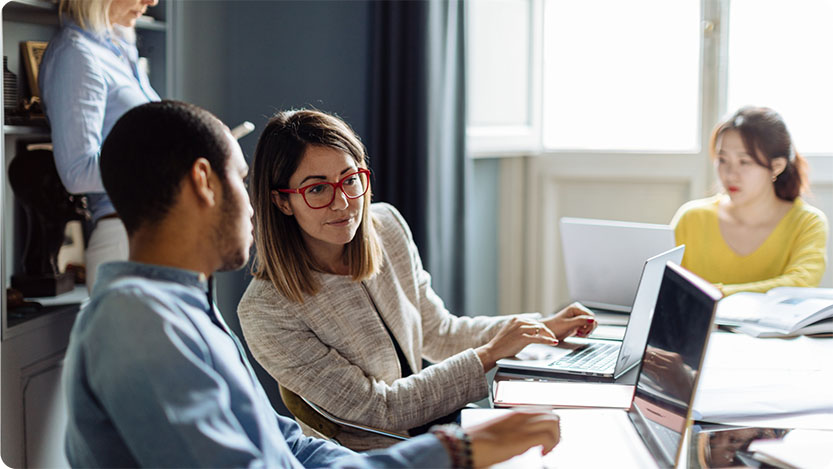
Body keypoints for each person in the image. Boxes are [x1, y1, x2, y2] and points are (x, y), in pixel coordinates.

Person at [63, 99, 561, 468]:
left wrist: (452, 451)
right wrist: (456, 452)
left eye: (349, 181)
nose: (252, 204)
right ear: (203, 182)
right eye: (240, 180)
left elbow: (289, 444)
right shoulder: (138, 325)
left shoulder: (182, 308)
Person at [237, 109, 596, 450]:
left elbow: (439, 332)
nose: (343, 203)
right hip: (383, 456)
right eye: (317, 189)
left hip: (444, 427)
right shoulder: (266, 311)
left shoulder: (386, 227)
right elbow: (382, 411)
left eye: (350, 180)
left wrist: (539, 327)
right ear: (282, 202)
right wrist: (489, 354)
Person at [39, 0, 161, 291]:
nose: (152, 1)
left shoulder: (117, 49)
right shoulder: (76, 54)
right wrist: (170, 161)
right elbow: (77, 171)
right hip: (126, 239)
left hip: (151, 233)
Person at [671, 106, 828, 296]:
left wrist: (715, 294)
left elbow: (799, 284)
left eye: (744, 162)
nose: (730, 174)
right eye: (722, 160)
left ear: (776, 167)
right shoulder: (691, 218)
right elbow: (662, 283)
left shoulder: (807, 222)